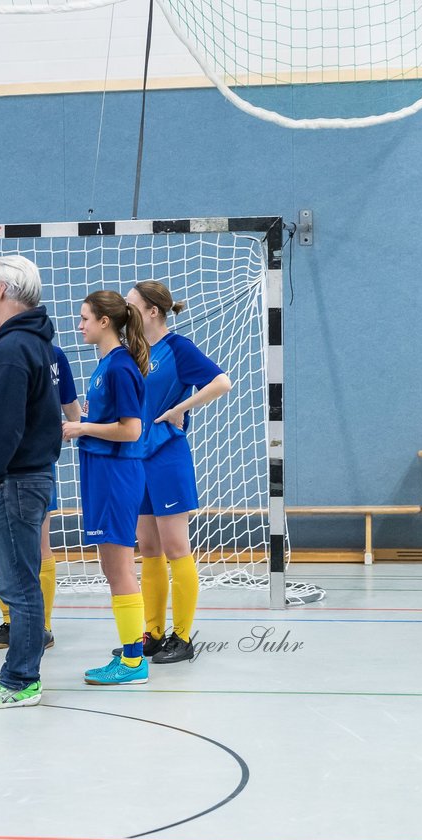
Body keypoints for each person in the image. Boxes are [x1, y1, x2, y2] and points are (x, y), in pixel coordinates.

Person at [0, 255, 62, 709]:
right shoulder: (23, 343)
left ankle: (21, 680)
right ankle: (16, 672)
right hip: (19, 480)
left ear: (3, 290)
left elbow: (6, 423)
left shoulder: (14, 348)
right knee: (18, 584)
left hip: (15, 483)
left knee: (20, 585)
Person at [124, 280, 231, 664]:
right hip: (137, 456)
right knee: (148, 547)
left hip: (167, 455)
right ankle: (152, 632)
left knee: (175, 547)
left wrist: (181, 406)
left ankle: (182, 637)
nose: (125, 309)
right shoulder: (132, 351)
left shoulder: (177, 348)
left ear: (153, 311)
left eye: (131, 304)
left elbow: (222, 381)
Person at [61, 290, 150, 686]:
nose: (79, 325)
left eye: (84, 318)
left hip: (116, 473)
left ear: (104, 322)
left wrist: (82, 426)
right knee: (112, 566)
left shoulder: (119, 367)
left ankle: (133, 662)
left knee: (119, 567)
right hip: (101, 470)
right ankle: (131, 656)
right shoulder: (105, 366)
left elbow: (132, 430)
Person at [0, 343, 82, 650]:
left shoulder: (53, 355)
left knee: (39, 544)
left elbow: (71, 406)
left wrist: (86, 432)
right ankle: (10, 622)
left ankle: (42, 625)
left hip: (34, 464)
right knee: (0, 545)